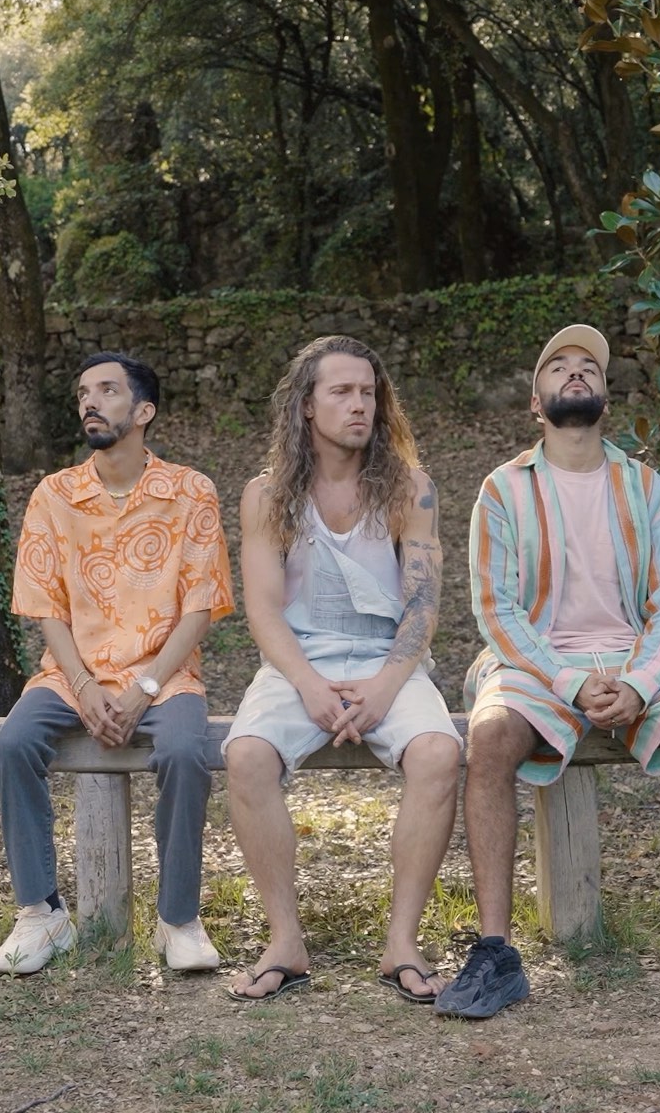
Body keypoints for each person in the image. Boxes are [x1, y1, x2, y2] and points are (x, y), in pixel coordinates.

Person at [434, 324, 660, 1020]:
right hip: (536, 661)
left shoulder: (644, 486)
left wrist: (639, 683)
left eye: (589, 367)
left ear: (605, 397)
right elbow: (497, 609)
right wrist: (570, 682)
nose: (576, 372)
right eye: (558, 366)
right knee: (489, 736)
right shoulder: (502, 489)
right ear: (535, 404)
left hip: (636, 657)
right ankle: (495, 955)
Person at [223, 335, 462, 1003]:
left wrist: (385, 687)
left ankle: (402, 943)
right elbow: (264, 611)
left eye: (368, 392)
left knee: (440, 753)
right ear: (306, 404)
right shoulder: (267, 495)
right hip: (300, 661)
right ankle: (285, 942)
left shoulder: (410, 488)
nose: (360, 405)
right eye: (342, 392)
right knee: (245, 756)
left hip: (390, 660)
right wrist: (308, 684)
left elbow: (422, 605)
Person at [0, 351, 234, 974]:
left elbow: (200, 607)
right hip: (71, 673)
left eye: (106, 390)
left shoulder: (190, 491)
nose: (89, 402)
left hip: (165, 674)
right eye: (82, 393)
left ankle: (178, 920)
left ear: (144, 411)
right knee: (12, 742)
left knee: (184, 752)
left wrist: (144, 686)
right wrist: (82, 683)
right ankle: (42, 914)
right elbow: (45, 604)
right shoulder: (55, 494)